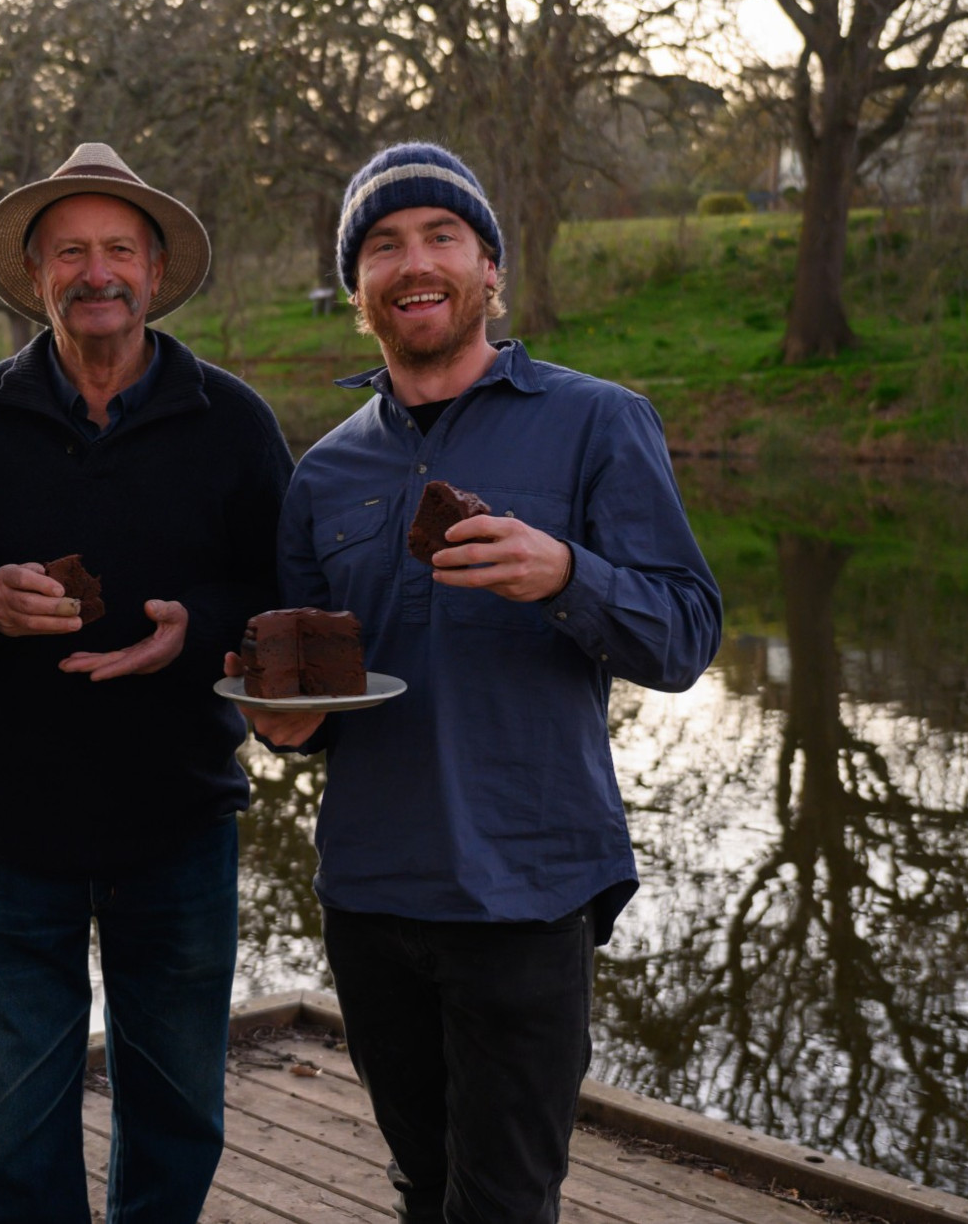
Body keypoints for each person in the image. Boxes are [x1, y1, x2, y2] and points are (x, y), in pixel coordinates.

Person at [235, 142, 722, 1224]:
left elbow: (685, 636)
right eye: (381, 245)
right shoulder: (323, 473)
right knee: (420, 1185)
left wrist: (564, 573)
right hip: (367, 889)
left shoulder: (597, 421)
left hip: (526, 887)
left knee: (503, 1201)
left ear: (489, 267)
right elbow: (308, 709)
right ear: (355, 288)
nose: (413, 262)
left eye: (440, 235)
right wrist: (281, 720)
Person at [0, 143, 292, 1223]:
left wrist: (198, 631)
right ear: (35, 277)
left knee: (175, 1115)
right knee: (14, 1127)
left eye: (119, 248)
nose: (95, 271)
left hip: (179, 826)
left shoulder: (235, 423)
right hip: (12, 835)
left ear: (156, 274)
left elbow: (288, 601)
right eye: (68, 250)